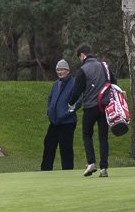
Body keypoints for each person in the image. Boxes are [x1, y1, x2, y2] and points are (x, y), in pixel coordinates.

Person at [70, 45, 113, 178]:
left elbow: (77, 91)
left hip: (90, 107)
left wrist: (70, 103)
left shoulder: (83, 69)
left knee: (87, 134)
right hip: (104, 106)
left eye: (80, 57)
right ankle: (104, 168)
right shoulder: (104, 66)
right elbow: (114, 82)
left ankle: (91, 163)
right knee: (103, 137)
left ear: (82, 55)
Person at [41, 59, 79, 171]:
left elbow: (78, 101)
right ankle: (46, 169)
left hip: (67, 122)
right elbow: (50, 98)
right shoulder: (56, 84)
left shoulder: (74, 83)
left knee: (65, 147)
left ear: (67, 71)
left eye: (62, 69)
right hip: (54, 121)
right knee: (48, 144)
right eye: (58, 69)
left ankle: (67, 170)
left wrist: (67, 113)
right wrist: (49, 111)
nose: (60, 72)